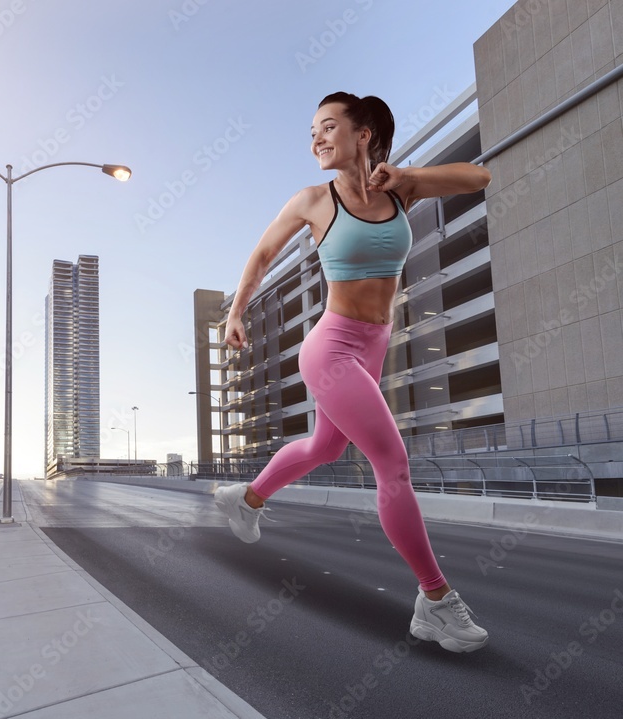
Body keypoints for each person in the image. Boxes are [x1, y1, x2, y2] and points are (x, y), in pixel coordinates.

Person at [213, 92, 492, 653]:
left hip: (374, 346)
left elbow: (477, 177)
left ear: (363, 134)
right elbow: (263, 253)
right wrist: (236, 311)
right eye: (311, 130)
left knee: (324, 447)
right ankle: (435, 602)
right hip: (331, 348)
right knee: (392, 462)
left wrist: (408, 172)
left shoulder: (400, 188)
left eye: (328, 127)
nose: (316, 138)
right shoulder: (315, 200)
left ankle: (246, 500)